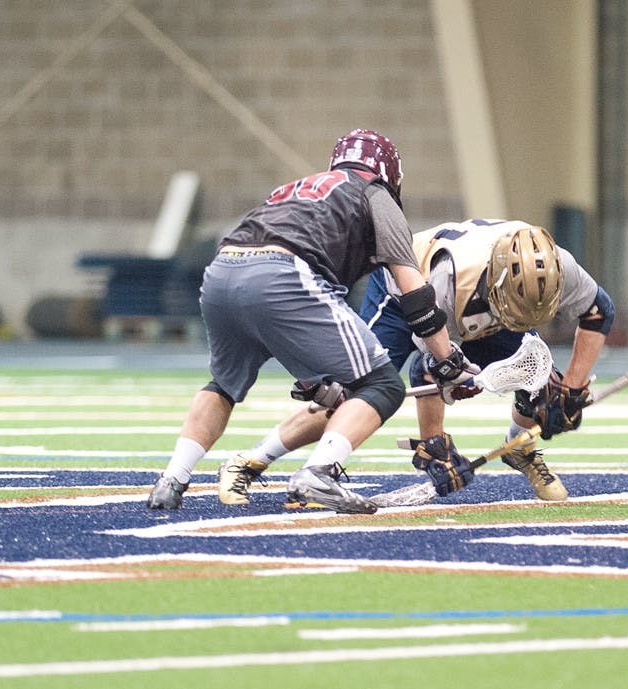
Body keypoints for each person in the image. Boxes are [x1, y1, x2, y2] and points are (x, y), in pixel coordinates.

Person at [146, 129, 477, 513]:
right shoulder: (374, 193)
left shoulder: (300, 187)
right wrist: (447, 361)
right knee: (382, 384)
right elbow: (415, 294)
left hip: (222, 272)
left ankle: (172, 479)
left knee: (222, 385)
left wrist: (314, 379)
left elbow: (278, 320)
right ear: (390, 170)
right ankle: (319, 472)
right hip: (284, 274)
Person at [218, 218, 614, 505]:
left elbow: (599, 312)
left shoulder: (560, 268)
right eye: (518, 310)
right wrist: (434, 445)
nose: (524, 324)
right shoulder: (447, 281)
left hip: (473, 305)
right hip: (404, 293)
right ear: (496, 285)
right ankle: (251, 460)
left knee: (537, 375)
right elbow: (429, 368)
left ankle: (518, 446)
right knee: (361, 394)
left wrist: (572, 388)